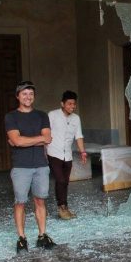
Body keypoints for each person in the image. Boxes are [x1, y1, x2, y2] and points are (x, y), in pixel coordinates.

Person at [5, 81, 56, 253]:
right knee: (20, 202)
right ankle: (22, 238)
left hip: (41, 165)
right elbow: (17, 141)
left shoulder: (42, 115)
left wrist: (20, 141)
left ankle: (42, 235)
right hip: (21, 167)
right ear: (18, 96)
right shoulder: (11, 117)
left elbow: (47, 138)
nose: (28, 97)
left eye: (31, 94)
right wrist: (36, 139)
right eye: (24, 94)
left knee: (40, 200)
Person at [47, 90, 87, 220]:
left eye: (74, 104)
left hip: (67, 155)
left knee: (65, 182)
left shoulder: (76, 118)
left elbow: (79, 136)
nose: (72, 106)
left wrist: (83, 152)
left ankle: (65, 207)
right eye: (69, 104)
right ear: (62, 104)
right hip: (53, 152)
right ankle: (62, 207)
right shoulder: (52, 115)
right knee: (60, 180)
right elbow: (45, 133)